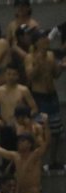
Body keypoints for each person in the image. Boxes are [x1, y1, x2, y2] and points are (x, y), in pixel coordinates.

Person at [26, 30, 62, 168]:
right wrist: (39, 62)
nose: (46, 40)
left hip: (52, 95)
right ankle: (38, 161)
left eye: (46, 38)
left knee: (56, 130)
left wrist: (60, 66)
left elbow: (55, 75)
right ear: (36, 42)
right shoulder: (30, 57)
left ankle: (53, 160)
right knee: (39, 131)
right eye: (43, 38)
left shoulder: (51, 55)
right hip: (39, 97)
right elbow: (30, 76)